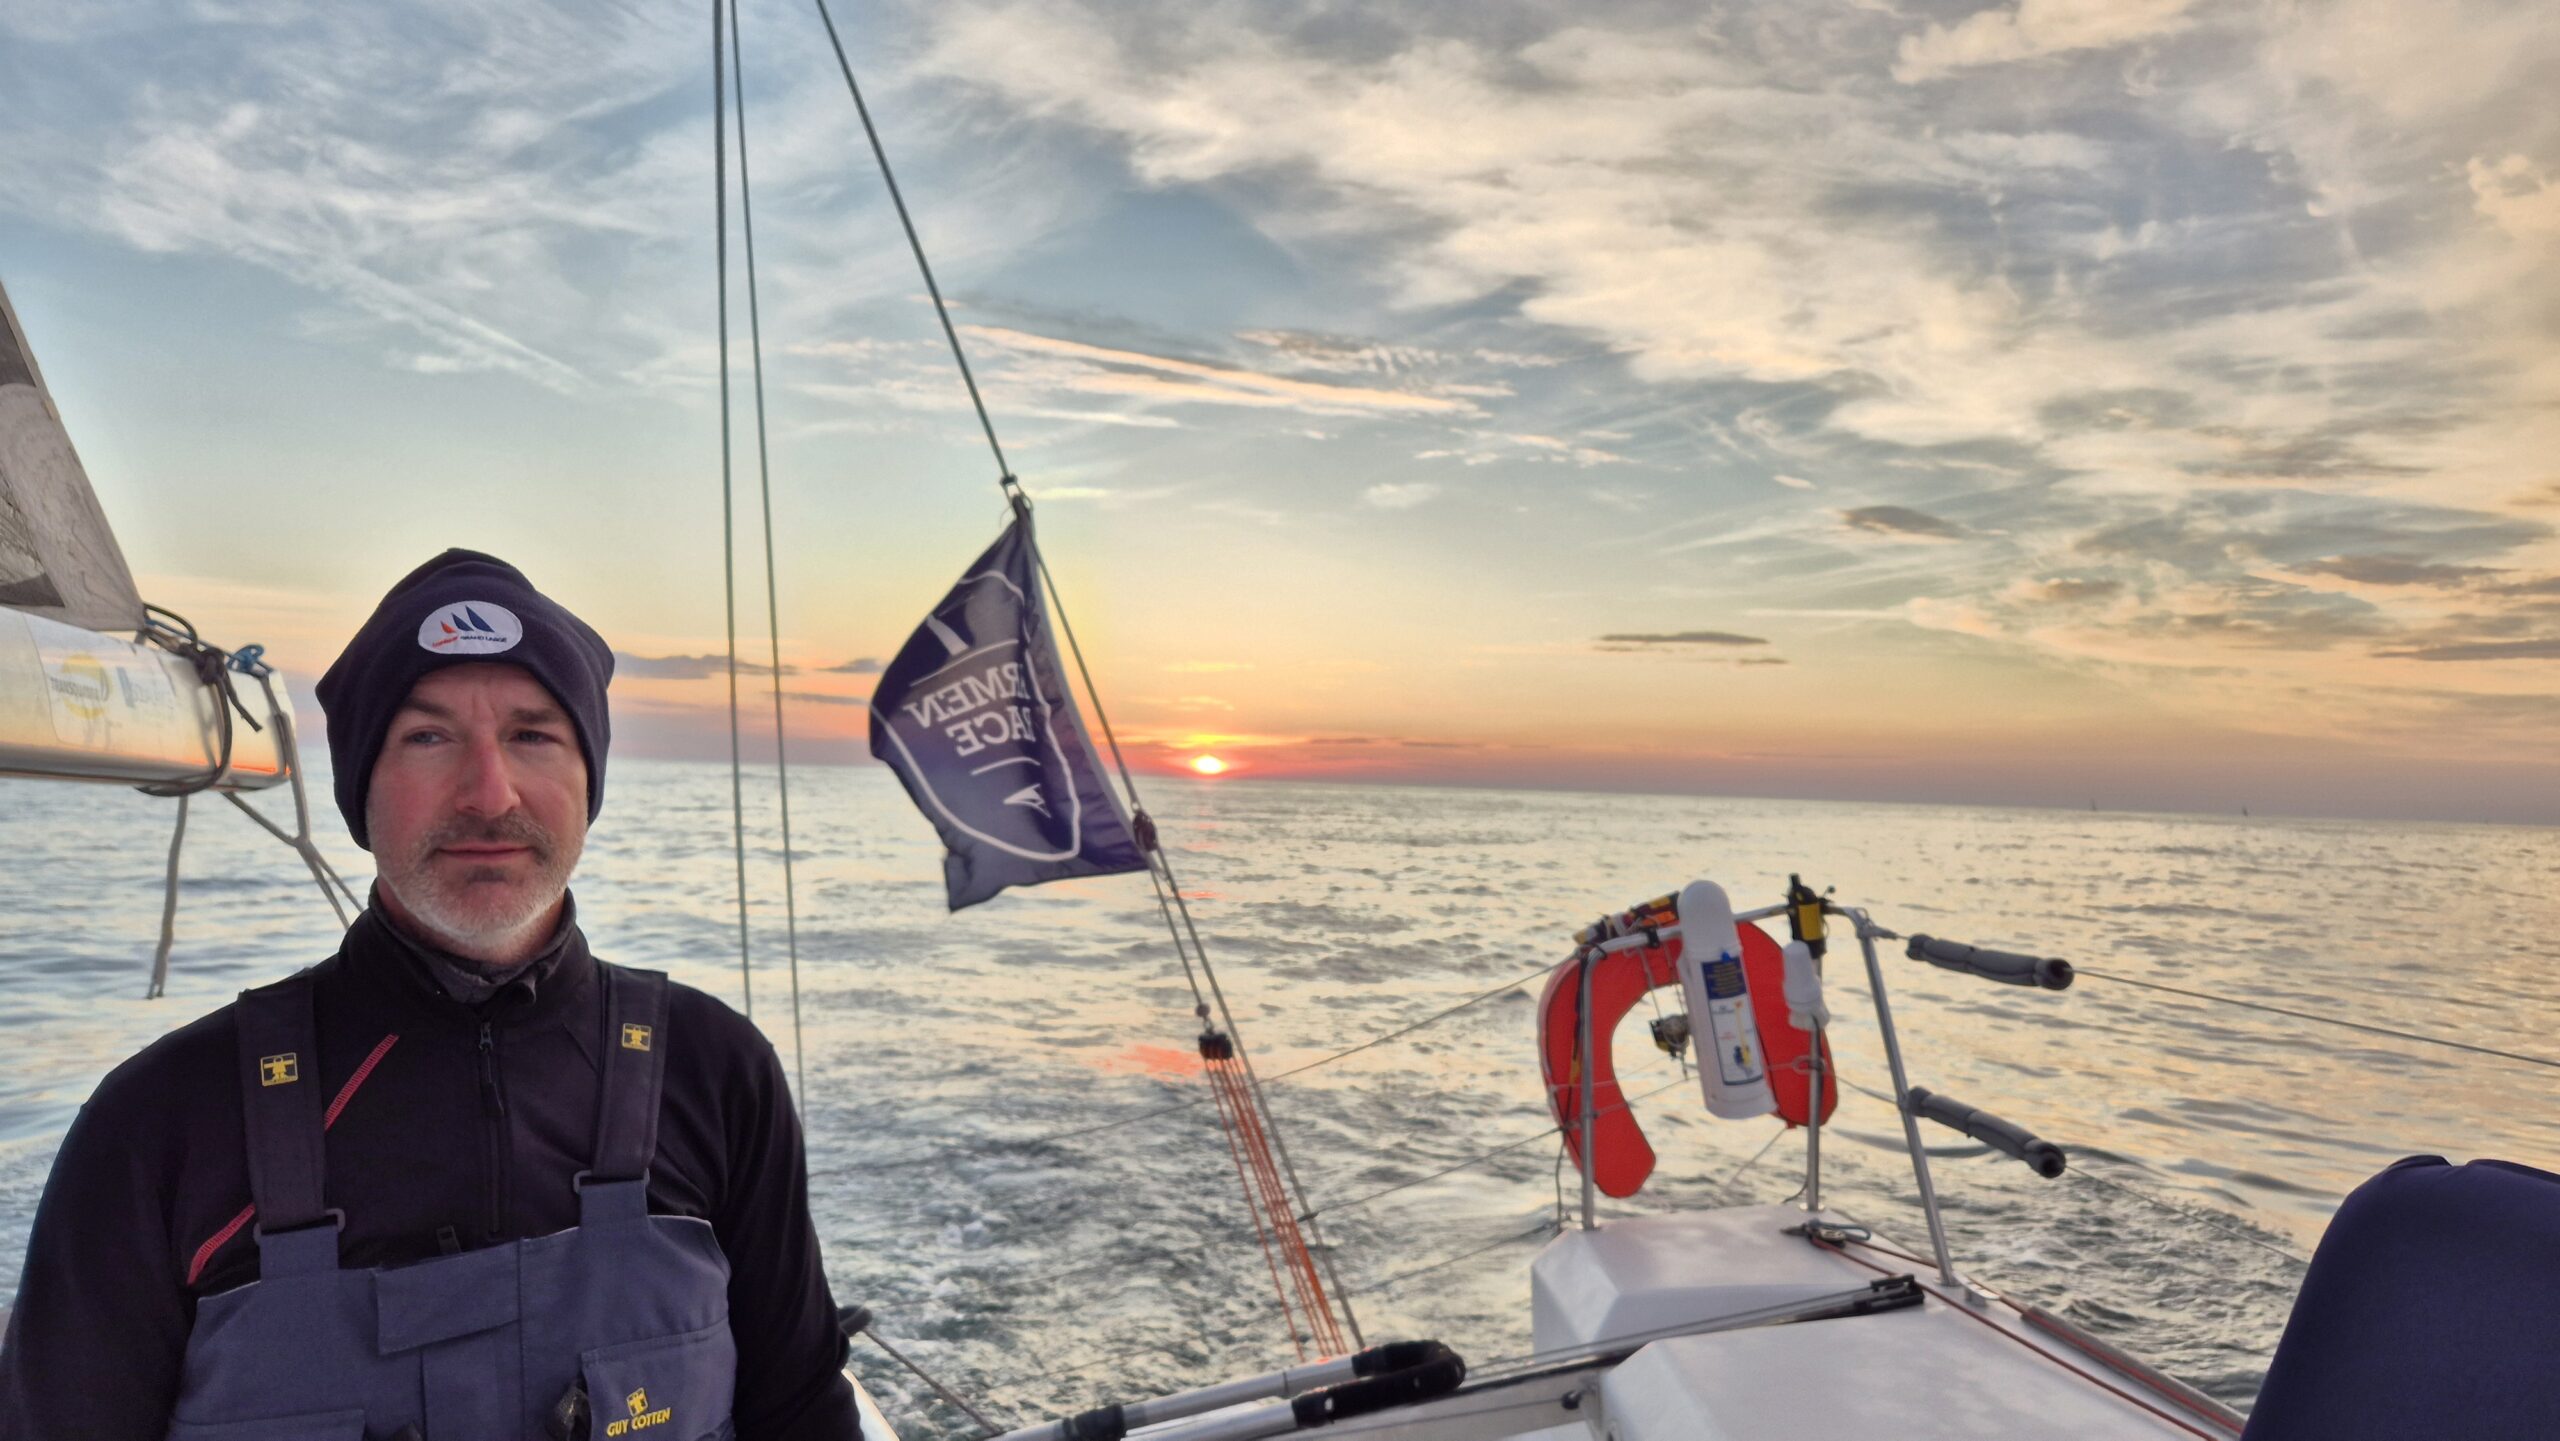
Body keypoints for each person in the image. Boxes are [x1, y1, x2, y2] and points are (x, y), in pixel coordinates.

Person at [0, 549, 866, 1439]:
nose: (489, 794)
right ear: (359, 789)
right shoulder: (162, 1122)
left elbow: (798, 1405)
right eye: (428, 736)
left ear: (588, 780)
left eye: (533, 734)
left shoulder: (716, 1073)